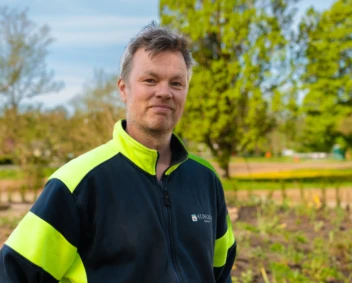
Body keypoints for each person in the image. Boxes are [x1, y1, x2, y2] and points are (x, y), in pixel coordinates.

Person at [0, 23, 236, 283]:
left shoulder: (205, 180)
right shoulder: (77, 183)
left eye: (177, 83)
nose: (164, 92)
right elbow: (13, 274)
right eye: (150, 80)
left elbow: (221, 272)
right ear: (123, 89)